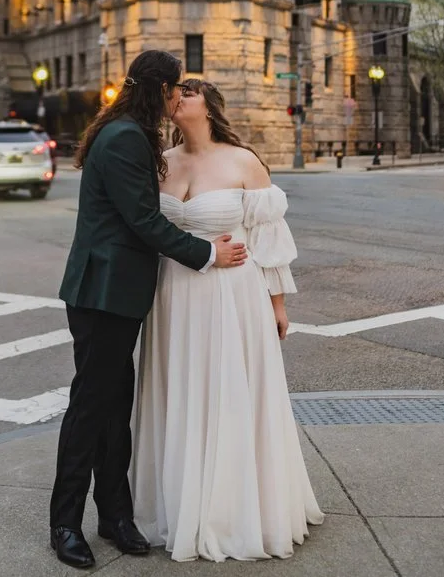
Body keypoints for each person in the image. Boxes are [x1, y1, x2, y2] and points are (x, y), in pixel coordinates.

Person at [50, 51, 248, 570]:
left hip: (119, 294)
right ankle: (64, 523)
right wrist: (208, 253)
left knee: (116, 409)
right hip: (102, 294)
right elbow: (143, 221)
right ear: (159, 89)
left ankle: (114, 515)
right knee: (92, 408)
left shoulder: (130, 133)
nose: (178, 95)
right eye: (175, 87)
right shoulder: (125, 139)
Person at [131, 79, 324, 562]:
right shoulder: (163, 163)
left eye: (188, 91)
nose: (178, 98)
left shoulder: (243, 161)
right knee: (182, 392)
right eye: (175, 93)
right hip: (173, 297)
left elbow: (268, 238)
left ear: (209, 106)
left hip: (233, 295)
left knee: (230, 394)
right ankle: (179, 505)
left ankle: (232, 511)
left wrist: (278, 304)